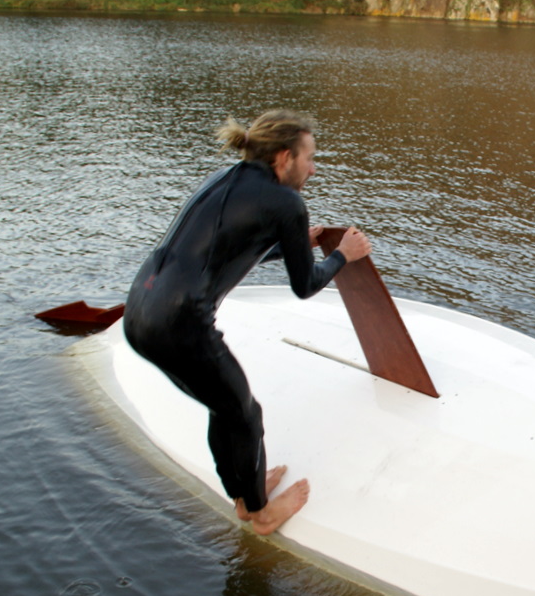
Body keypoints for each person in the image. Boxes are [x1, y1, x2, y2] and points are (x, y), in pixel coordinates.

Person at [123, 110, 371, 535]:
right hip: (181, 327)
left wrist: (294, 243)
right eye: (309, 158)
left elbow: (229, 249)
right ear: (284, 157)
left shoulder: (224, 179)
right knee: (246, 414)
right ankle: (260, 512)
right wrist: (341, 256)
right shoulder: (287, 202)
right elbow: (305, 285)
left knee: (226, 408)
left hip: (139, 314)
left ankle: (244, 496)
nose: (313, 169)